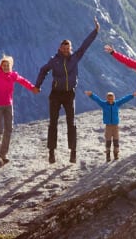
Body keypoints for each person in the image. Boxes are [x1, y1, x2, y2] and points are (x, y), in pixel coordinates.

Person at [36, 18, 99, 164]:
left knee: (72, 123)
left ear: (70, 48)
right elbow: (43, 70)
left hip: (69, 94)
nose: (66, 50)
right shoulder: (54, 60)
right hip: (56, 94)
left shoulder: (75, 57)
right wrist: (38, 85)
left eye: (68, 48)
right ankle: (51, 152)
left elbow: (85, 45)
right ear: (59, 49)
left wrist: (95, 31)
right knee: (53, 123)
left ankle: (73, 152)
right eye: (63, 48)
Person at [0, 33, 39, 167]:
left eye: (8, 65)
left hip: (8, 105)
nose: (5, 67)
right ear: (1, 65)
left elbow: (23, 81)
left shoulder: (13, 75)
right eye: (4, 65)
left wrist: (33, 88)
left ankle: (3, 154)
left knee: (9, 129)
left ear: (11, 66)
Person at [86, 90, 136, 161]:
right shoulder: (104, 104)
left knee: (116, 140)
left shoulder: (117, 104)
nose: (110, 100)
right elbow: (97, 99)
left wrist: (132, 95)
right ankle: (108, 155)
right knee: (108, 141)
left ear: (114, 98)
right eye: (109, 99)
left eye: (112, 99)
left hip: (115, 126)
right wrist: (91, 95)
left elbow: (124, 99)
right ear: (107, 99)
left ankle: (116, 154)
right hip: (108, 126)